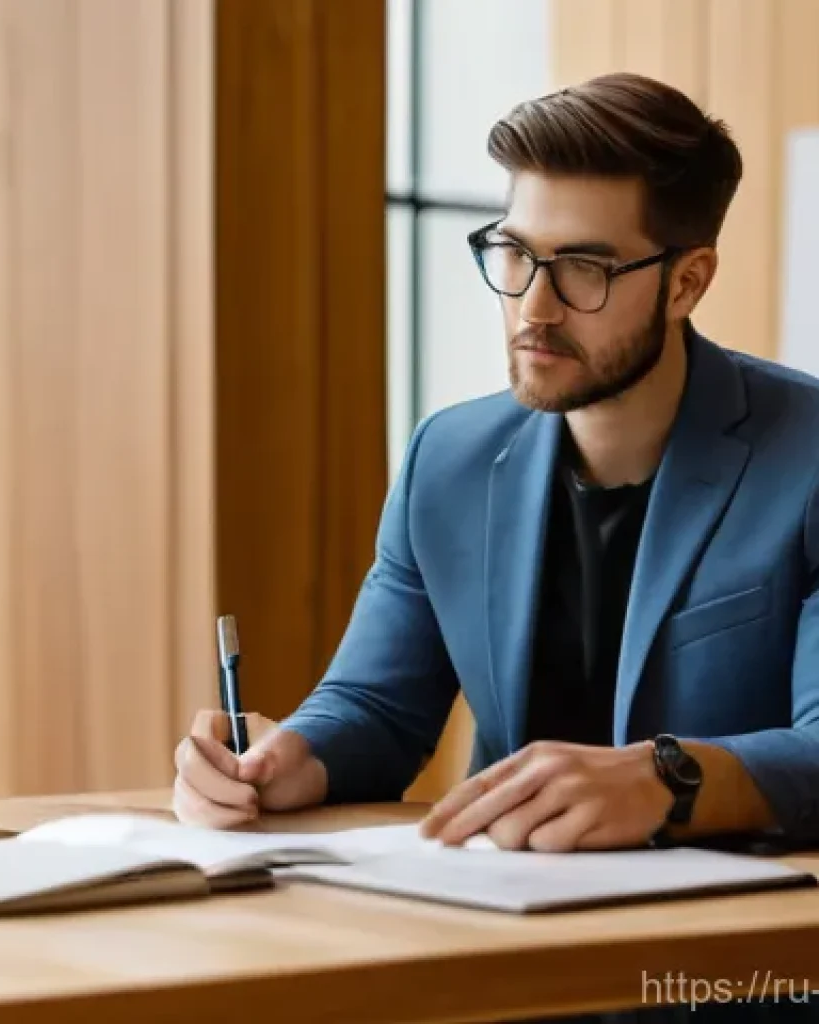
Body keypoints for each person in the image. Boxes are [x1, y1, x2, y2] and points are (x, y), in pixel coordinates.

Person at [173, 71, 819, 1019]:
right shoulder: (450, 457)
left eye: (585, 268)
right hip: (499, 960)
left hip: (738, 977)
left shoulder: (807, 456)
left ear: (687, 281)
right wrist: (282, 763)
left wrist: (665, 777)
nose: (534, 307)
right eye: (515, 253)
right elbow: (377, 707)